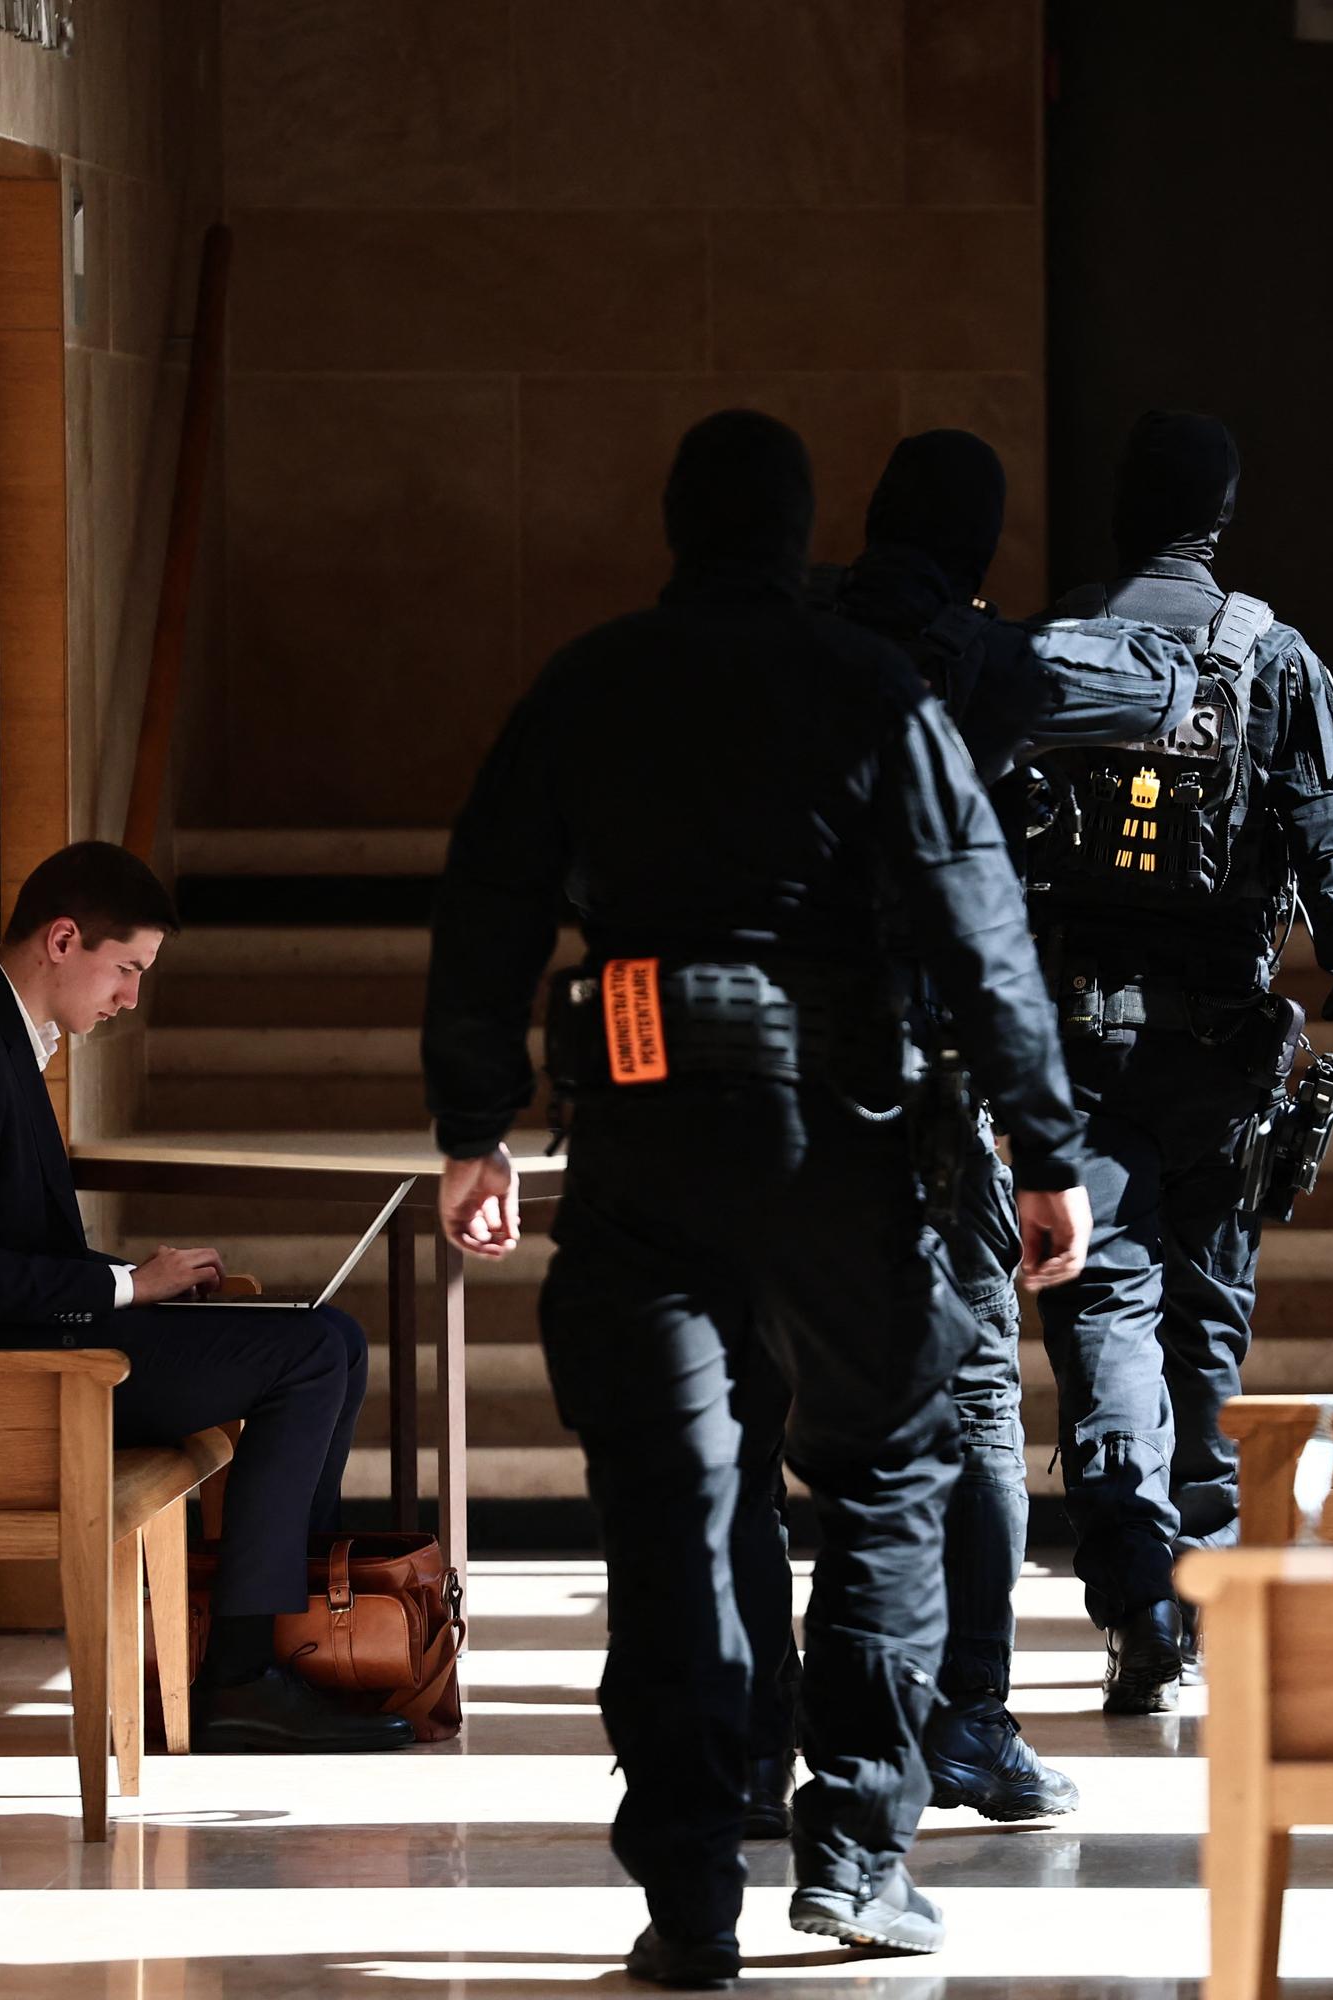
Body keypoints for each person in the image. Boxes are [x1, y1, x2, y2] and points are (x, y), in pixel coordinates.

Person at [421, 410, 1092, 1982]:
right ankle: (857, 1855)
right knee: (887, 1476)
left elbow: (489, 904)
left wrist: (475, 1126)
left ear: (676, 523)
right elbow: (978, 921)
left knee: (670, 1512)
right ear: (800, 535)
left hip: (642, 1153)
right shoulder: (871, 687)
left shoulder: (587, 684)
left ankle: (690, 1900)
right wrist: (1045, 1146)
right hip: (843, 1153)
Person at [796, 427, 1198, 1818]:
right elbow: (1159, 685)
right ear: (976, 552)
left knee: (738, 1400)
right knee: (973, 1396)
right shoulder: (978, 664)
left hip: (748, 1089)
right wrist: (1048, 1151)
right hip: (916, 1088)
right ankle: (966, 1715)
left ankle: (747, 1729)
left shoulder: (786, 646)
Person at [0, 841, 408, 1756]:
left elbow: (0, 1252)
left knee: (332, 1338)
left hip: (24, 1348)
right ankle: (243, 1677)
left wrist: (138, 1285)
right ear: (63, 939)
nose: (132, 997)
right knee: (307, 1356)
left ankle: (287, 1648)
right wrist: (126, 1286)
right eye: (128, 968)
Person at [1018, 409, 1333, 1715]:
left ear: (1118, 513)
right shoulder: (1275, 659)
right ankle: (1202, 1579)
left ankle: (1139, 1602)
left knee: (1104, 1320)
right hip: (1220, 1053)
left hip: (1074, 1053)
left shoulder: (1045, 651)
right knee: (1205, 1320)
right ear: (1221, 517)